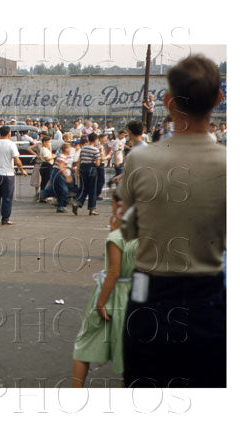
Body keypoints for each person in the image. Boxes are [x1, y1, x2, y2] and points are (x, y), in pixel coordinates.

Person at [118, 55, 226, 388]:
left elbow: (124, 224)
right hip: (208, 298)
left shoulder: (140, 158)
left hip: (150, 295)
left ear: (167, 102)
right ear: (219, 99)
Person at [72, 192, 138, 387]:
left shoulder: (116, 237)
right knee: (126, 351)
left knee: (84, 343)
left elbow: (113, 273)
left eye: (117, 206)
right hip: (132, 294)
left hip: (112, 294)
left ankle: (76, 389)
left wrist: (100, 302)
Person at [0, 126, 28, 225]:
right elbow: (17, 160)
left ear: (0, 133)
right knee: (7, 198)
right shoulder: (11, 144)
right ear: (9, 133)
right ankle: (5, 219)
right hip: (8, 174)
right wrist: (22, 170)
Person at [74, 133, 101, 216]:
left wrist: (77, 170)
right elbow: (97, 164)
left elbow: (79, 159)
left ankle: (78, 202)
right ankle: (92, 208)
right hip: (91, 169)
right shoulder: (95, 150)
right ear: (96, 140)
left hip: (82, 168)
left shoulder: (83, 148)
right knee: (92, 189)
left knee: (83, 187)